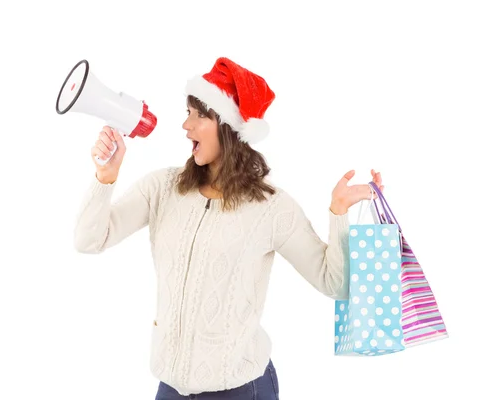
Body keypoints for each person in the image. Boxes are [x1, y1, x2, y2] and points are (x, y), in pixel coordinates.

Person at [73, 57, 384, 399]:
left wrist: (338, 211)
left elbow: (334, 283)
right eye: (187, 112)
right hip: (171, 387)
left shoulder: (272, 207)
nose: (185, 125)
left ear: (229, 128)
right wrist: (106, 177)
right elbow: (89, 240)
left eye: (199, 115)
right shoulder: (161, 188)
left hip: (240, 388)